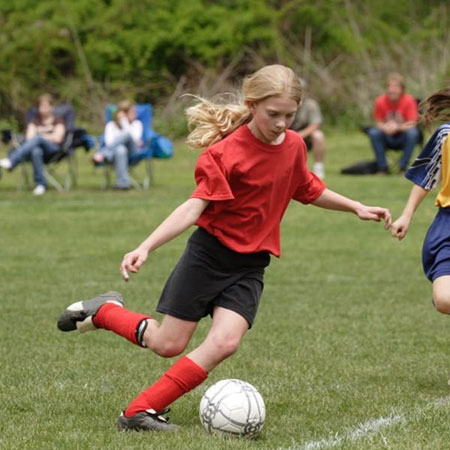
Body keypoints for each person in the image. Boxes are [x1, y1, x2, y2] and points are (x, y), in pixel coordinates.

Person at [56, 65, 391, 432]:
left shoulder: (294, 145)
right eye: (273, 114)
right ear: (252, 105)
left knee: (226, 342)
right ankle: (105, 311)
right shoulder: (225, 153)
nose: (281, 123)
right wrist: (146, 246)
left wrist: (356, 206)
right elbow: (193, 207)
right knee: (167, 344)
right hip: (209, 257)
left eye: (289, 115)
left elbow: (307, 187)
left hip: (251, 265)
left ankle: (139, 411)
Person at [392, 87, 450, 315]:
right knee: (444, 300)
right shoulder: (446, 134)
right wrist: (406, 215)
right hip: (448, 223)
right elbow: (426, 177)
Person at [0, 93, 66, 195]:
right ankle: (41, 185)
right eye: (41, 106)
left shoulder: (58, 121)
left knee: (37, 138)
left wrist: (41, 135)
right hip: (34, 152)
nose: (44, 109)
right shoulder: (34, 122)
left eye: (46, 106)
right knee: (36, 151)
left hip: (53, 151)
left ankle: (12, 160)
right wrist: (48, 135)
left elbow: (57, 138)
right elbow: (29, 138)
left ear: (51, 107)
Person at [367, 72, 420, 174]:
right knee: (373, 132)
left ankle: (403, 167)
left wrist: (397, 127)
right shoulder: (380, 101)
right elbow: (378, 122)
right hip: (386, 136)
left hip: (403, 137)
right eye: (390, 87)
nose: (392, 90)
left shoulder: (409, 100)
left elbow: (412, 123)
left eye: (395, 87)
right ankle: (382, 168)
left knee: (413, 133)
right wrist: (385, 127)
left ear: (402, 89)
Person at [93, 100, 144, 190]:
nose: (135, 115)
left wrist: (124, 122)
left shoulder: (137, 124)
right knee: (121, 149)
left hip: (132, 152)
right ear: (124, 113)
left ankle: (102, 153)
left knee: (127, 135)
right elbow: (109, 142)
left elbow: (134, 139)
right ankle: (122, 184)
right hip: (115, 154)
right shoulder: (110, 125)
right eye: (132, 112)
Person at [289, 78, 326, 179]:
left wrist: (299, 135)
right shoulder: (283, 103)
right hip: (285, 135)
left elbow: (316, 124)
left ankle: (318, 168)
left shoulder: (310, 105)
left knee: (318, 135)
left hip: (304, 136)